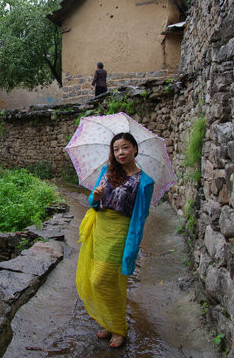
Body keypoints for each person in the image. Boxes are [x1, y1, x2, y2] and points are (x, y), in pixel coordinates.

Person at [76, 132, 155, 348]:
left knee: (102, 280)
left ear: (135, 149)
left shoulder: (144, 182)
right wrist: (96, 196)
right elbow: (92, 200)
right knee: (96, 279)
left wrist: (132, 250)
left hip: (119, 234)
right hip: (99, 229)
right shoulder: (107, 171)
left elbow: (139, 219)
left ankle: (119, 328)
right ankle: (108, 322)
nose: (120, 152)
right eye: (116, 149)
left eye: (125, 147)